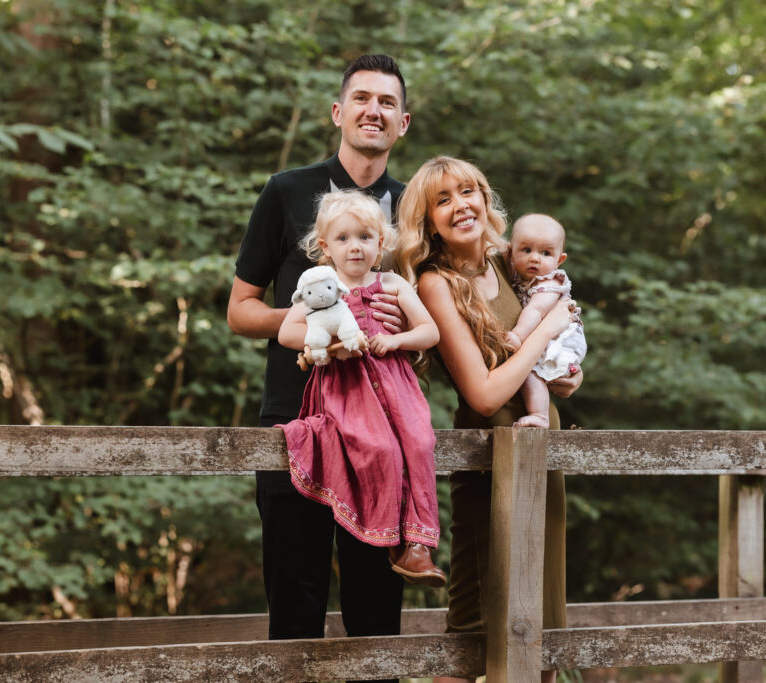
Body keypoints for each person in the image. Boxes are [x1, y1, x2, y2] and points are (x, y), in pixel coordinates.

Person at [226, 54, 411, 681]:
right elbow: (239, 309)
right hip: (295, 422)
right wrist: (303, 326)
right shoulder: (286, 191)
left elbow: (442, 312)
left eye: (386, 102)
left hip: (380, 432)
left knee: (377, 612)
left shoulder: (412, 210)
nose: (373, 110)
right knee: (295, 607)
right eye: (361, 98)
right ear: (339, 112)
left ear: (402, 123)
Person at [395, 156, 582, 683]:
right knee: (473, 627)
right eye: (443, 200)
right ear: (428, 220)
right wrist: (542, 337)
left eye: (468, 191)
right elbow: (481, 392)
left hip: (541, 447)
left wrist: (568, 370)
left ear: (485, 198)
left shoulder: (512, 260)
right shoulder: (436, 283)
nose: (460, 206)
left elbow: (562, 344)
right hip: (488, 458)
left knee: (542, 622)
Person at [277, 189, 445, 587]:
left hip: (396, 385)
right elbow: (287, 332)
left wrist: (396, 341)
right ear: (325, 246)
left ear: (381, 242)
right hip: (347, 388)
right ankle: (391, 537)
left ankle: (419, 545)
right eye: (343, 238)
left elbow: (430, 332)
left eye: (365, 237)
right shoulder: (323, 286)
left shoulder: (394, 284)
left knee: (420, 444)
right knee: (381, 449)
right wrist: (329, 348)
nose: (355, 247)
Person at [505, 213, 587, 428]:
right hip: (549, 334)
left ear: (559, 260)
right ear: (510, 251)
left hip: (562, 338)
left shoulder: (550, 281)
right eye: (526, 250)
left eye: (545, 253)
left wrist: (517, 335)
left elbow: (536, 310)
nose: (535, 258)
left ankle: (540, 416)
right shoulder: (518, 274)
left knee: (531, 370)